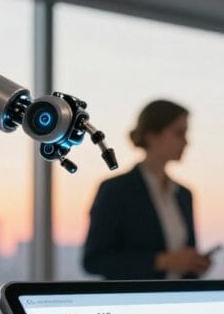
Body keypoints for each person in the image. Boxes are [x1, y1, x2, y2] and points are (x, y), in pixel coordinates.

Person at [82, 99, 211, 280]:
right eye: (179, 133)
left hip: (177, 301)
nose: (186, 142)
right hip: (132, 303)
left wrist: (194, 264)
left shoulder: (184, 194)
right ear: (152, 135)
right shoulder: (115, 190)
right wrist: (162, 261)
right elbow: (94, 260)